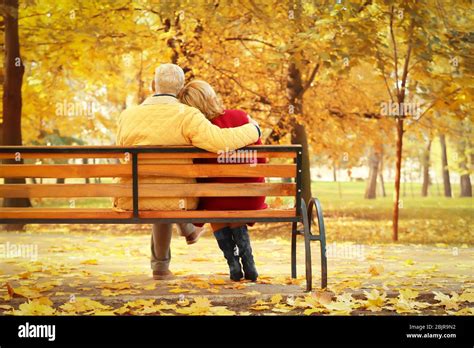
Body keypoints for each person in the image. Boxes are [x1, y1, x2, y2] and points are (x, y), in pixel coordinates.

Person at [114, 64, 262, 280]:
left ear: (153, 85)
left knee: (156, 192)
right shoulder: (188, 115)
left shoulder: (127, 116)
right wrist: (254, 129)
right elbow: (220, 141)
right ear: (181, 87)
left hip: (133, 197)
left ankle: (161, 267)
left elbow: (121, 154)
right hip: (177, 197)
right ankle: (186, 235)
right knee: (168, 193)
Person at [178, 80, 266, 282]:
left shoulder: (199, 132)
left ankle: (233, 265)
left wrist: (198, 219)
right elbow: (262, 160)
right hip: (250, 196)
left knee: (217, 200)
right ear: (211, 96)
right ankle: (249, 262)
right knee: (231, 198)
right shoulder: (241, 116)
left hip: (216, 199)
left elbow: (198, 177)